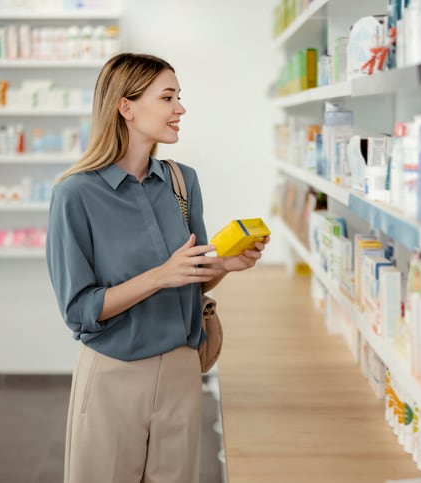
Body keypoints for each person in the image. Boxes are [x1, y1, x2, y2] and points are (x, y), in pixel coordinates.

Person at [45, 52, 270, 483]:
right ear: (126, 107)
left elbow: (190, 282)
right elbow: (79, 310)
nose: (180, 109)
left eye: (178, 97)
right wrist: (159, 276)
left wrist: (224, 264)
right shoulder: (74, 195)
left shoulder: (183, 181)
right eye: (168, 97)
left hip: (183, 372)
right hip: (114, 374)